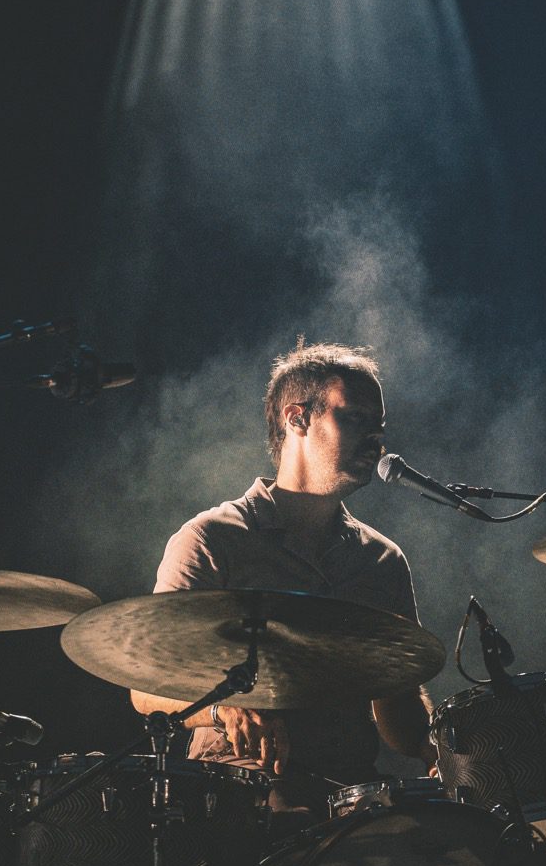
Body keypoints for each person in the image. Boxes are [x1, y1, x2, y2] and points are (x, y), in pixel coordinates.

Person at [131, 341, 434, 814]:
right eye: (355, 418)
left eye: (379, 427)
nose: (375, 441)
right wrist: (222, 709)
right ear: (297, 418)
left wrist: (443, 749)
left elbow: (399, 710)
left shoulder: (382, 561)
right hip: (237, 796)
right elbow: (145, 685)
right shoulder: (212, 539)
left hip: (351, 797)